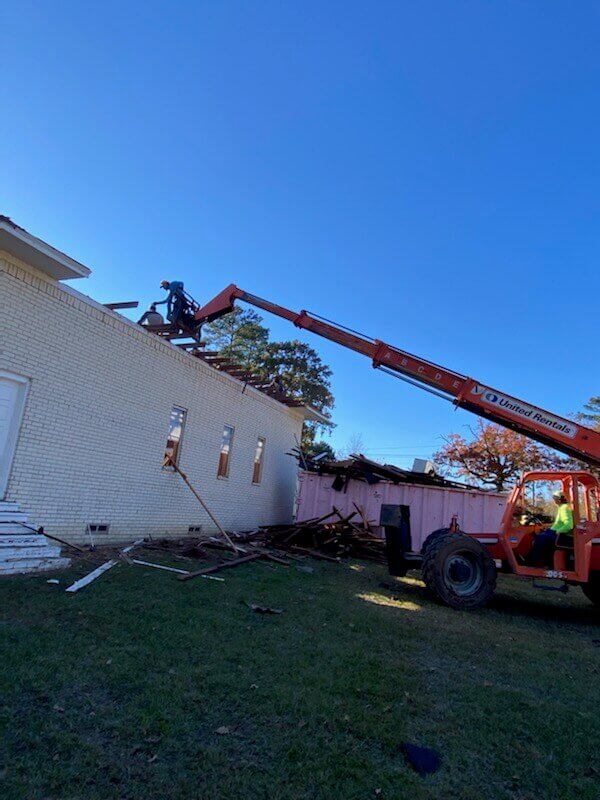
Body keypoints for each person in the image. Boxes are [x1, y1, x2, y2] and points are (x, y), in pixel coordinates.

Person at [529, 490, 574, 567]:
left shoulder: (564, 508)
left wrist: (558, 531)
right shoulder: (562, 508)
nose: (554, 500)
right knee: (539, 535)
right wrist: (549, 527)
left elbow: (569, 525)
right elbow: (559, 524)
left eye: (555, 498)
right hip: (558, 533)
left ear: (559, 499)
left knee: (541, 537)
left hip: (563, 536)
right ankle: (543, 562)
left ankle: (533, 562)